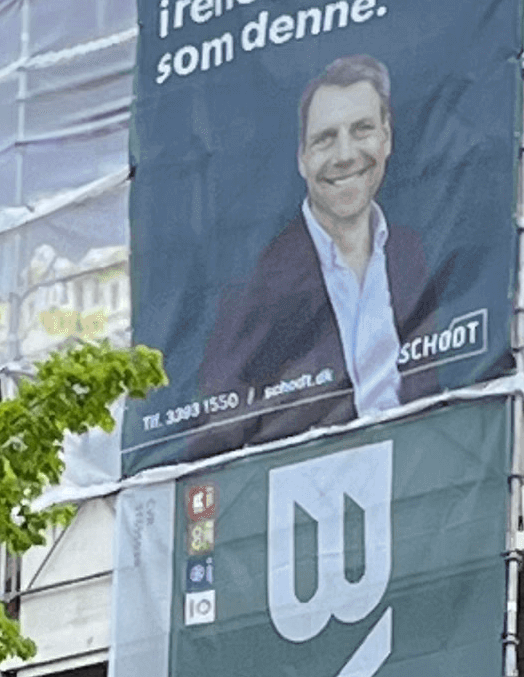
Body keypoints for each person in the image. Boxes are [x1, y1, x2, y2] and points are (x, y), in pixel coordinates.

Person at [191, 54, 462, 456]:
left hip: (418, 469)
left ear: (386, 137)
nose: (346, 154)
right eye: (325, 138)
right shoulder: (255, 281)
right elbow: (216, 429)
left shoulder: (413, 253)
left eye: (362, 129)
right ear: (302, 158)